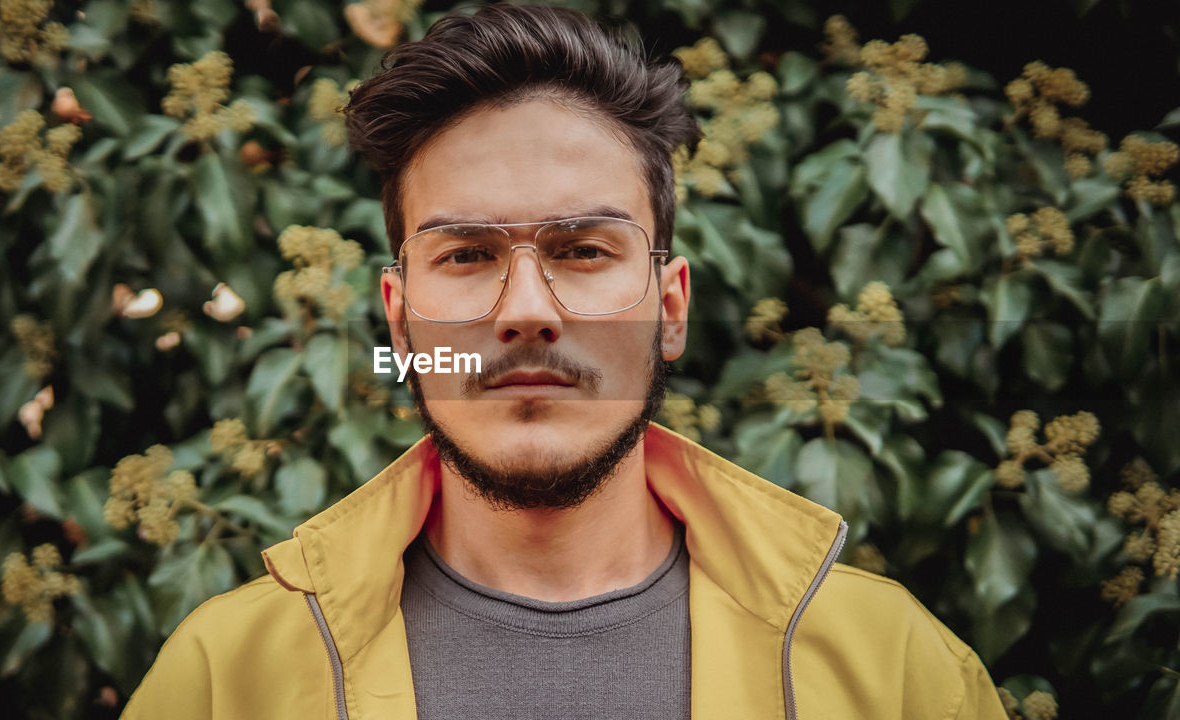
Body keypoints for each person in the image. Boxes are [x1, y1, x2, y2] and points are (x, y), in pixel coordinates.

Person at [121, 5, 1008, 719]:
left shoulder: (892, 672)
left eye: (584, 250)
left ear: (671, 307)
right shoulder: (223, 681)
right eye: (466, 256)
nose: (529, 312)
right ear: (398, 323)